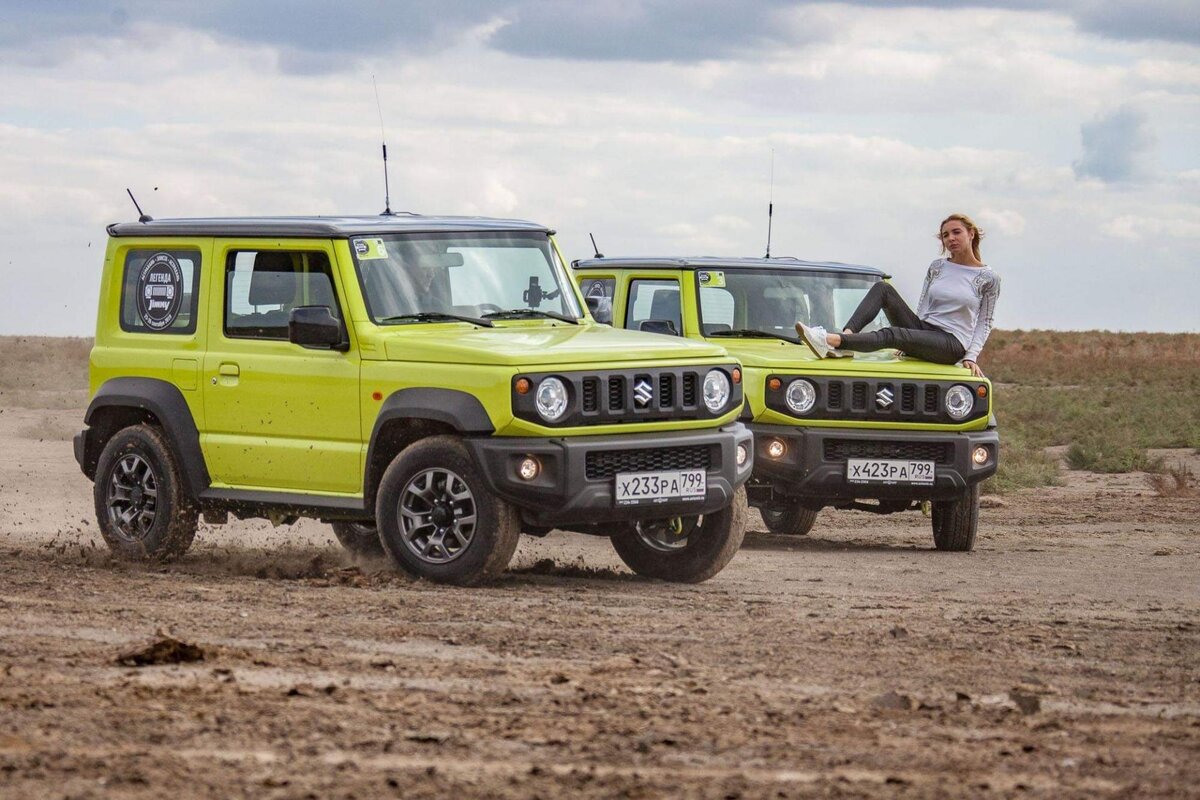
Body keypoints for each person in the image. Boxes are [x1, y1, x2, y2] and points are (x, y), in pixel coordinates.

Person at [796, 213, 1000, 378]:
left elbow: (985, 322)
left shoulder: (988, 278)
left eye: (956, 232)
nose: (951, 239)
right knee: (883, 289)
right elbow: (924, 304)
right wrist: (913, 340)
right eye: (945, 235)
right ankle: (847, 338)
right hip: (926, 329)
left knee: (892, 334)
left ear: (971, 234)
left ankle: (829, 340)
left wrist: (971, 356)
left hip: (951, 343)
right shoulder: (938, 267)